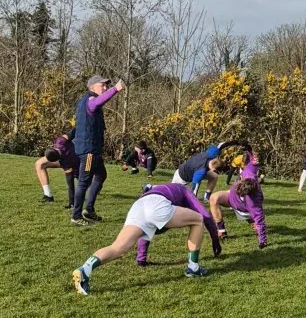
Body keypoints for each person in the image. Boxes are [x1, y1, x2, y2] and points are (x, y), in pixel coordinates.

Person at [72, 183, 221, 295]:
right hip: (157, 205)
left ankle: (85, 269)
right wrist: (215, 240)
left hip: (138, 206)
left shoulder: (159, 188)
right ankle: (193, 268)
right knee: (198, 220)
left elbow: (146, 232)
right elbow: (205, 215)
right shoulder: (183, 189)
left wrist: (141, 257)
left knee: (118, 247)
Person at [71, 75, 125, 226]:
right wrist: (115, 89)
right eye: (103, 85)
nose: (105, 88)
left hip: (93, 150)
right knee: (84, 182)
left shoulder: (85, 100)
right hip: (89, 151)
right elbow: (95, 104)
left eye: (107, 86)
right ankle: (76, 216)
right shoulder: (90, 100)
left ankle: (89, 209)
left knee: (101, 175)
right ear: (92, 87)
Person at [209, 147, 268, 247]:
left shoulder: (254, 202)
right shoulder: (249, 172)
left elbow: (260, 219)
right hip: (231, 198)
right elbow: (253, 160)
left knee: (257, 221)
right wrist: (247, 147)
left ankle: (251, 220)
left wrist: (262, 241)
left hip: (244, 209)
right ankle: (221, 230)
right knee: (214, 198)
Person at [172, 141, 237, 200]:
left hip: (191, 170)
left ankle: (207, 197)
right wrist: (195, 201)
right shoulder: (201, 172)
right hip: (181, 177)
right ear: (214, 169)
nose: (216, 172)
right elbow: (195, 188)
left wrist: (234, 142)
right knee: (172, 194)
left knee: (214, 176)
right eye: (216, 171)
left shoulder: (211, 154)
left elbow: (220, 145)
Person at [34, 127, 78, 207]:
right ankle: (48, 195)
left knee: (84, 180)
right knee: (39, 164)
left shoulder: (65, 162)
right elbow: (72, 132)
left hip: (76, 160)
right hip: (69, 159)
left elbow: (70, 181)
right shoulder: (60, 141)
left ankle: (96, 186)